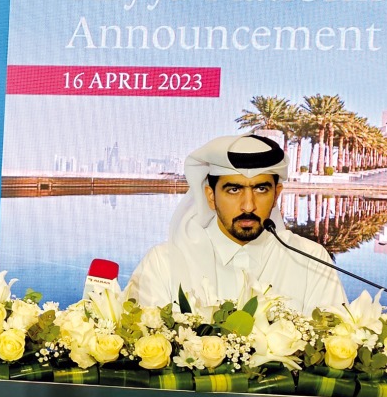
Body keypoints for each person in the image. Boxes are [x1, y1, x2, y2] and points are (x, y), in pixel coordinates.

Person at [124, 134, 346, 313]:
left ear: (276, 194)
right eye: (234, 189)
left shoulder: (311, 260)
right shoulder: (164, 263)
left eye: (261, 189)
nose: (248, 206)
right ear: (210, 196)